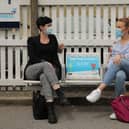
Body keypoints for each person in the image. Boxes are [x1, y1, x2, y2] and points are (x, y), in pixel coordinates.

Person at [24, 16, 69, 124]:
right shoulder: (32, 40)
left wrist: (59, 49)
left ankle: (50, 112)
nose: (51, 28)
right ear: (41, 27)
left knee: (45, 77)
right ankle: (59, 92)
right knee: (46, 65)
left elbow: (55, 51)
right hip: (33, 70)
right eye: (49, 25)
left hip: (50, 71)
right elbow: (32, 57)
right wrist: (45, 63)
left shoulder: (52, 38)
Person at [86, 17, 129, 119]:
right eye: (116, 27)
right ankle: (119, 109)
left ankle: (99, 90)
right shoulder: (116, 43)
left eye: (119, 27)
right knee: (119, 75)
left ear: (127, 29)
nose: (117, 30)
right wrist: (114, 63)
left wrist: (121, 57)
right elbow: (111, 62)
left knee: (120, 60)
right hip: (121, 71)